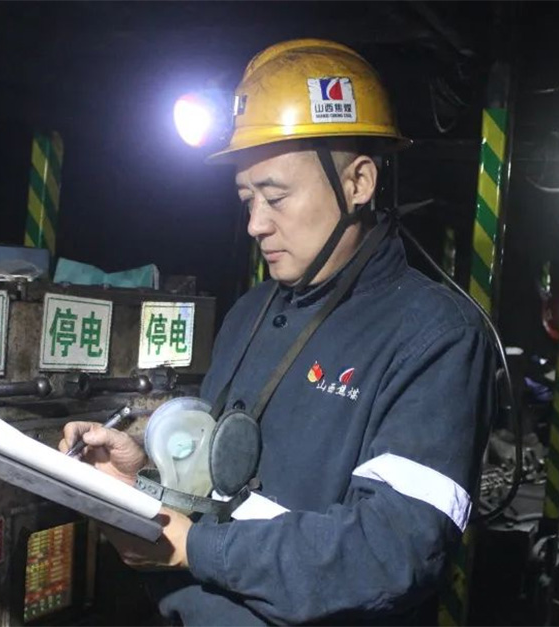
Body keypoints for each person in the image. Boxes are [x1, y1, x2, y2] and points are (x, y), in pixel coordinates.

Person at [60, 38, 495, 625]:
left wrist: (195, 549)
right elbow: (223, 490)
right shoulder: (251, 313)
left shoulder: (435, 335)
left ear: (359, 183)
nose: (255, 224)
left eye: (276, 197)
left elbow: (393, 550)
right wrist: (144, 478)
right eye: (247, 199)